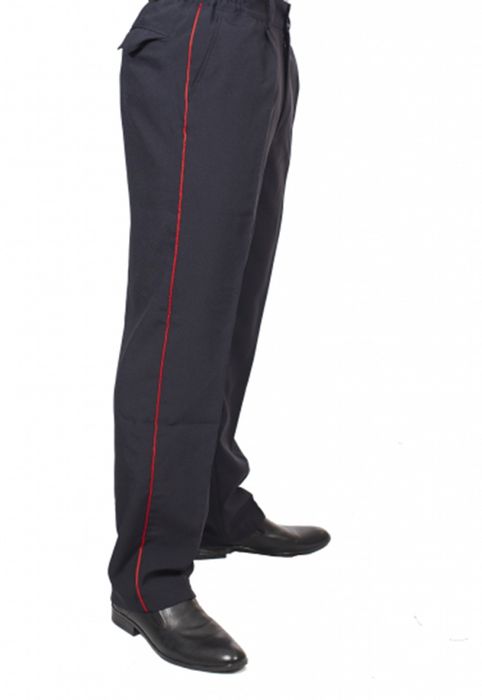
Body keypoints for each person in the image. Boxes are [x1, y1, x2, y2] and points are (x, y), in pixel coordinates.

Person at [108, 0, 330, 673]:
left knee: (234, 300)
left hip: (264, 37)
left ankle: (210, 506)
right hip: (202, 33)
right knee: (183, 309)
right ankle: (149, 579)